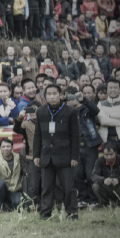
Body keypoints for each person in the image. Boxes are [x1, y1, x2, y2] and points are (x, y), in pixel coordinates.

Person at [32, 84, 80, 219]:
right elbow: (37, 135)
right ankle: (45, 214)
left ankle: (72, 213)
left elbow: (75, 136)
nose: (52, 96)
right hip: (46, 156)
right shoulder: (41, 111)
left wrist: (74, 156)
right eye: (49, 94)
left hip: (65, 156)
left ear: (61, 95)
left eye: (55, 93)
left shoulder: (70, 111)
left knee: (68, 188)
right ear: (45, 96)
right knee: (46, 188)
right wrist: (36, 155)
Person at [91, 142, 120, 207]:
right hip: (107, 188)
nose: (109, 157)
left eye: (111, 154)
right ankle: (104, 205)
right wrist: (103, 180)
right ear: (103, 154)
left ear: (115, 152)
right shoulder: (99, 161)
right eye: (106, 155)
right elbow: (93, 176)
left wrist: (119, 180)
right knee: (95, 186)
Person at [0, 139, 26, 211]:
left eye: (8, 146)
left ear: (12, 148)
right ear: (0, 148)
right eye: (3, 147)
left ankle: (8, 205)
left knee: (17, 204)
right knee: (0, 183)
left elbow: (24, 168)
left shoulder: (18, 157)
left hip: (15, 190)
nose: (6, 149)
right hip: (3, 190)